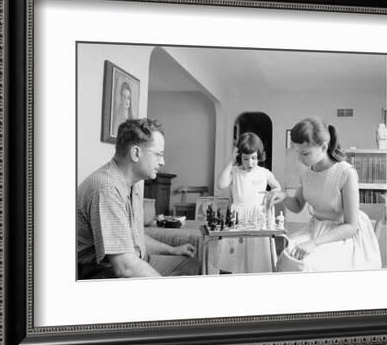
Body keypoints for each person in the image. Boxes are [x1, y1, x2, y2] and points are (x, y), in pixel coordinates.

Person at [77, 118, 199, 279]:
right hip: (103, 272)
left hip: (132, 261)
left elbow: (135, 239)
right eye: (158, 155)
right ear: (135, 153)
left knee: (190, 265)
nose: (162, 162)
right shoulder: (106, 188)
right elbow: (124, 267)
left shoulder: (133, 183)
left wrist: (173, 250)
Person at [266, 117, 382, 272]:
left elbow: (351, 227)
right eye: (298, 153)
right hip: (316, 229)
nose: (300, 159)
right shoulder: (307, 173)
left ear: (323, 147)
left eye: (305, 153)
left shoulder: (346, 172)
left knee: (307, 264)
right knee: (286, 254)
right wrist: (284, 197)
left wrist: (314, 243)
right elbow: (298, 205)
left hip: (343, 235)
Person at [216, 132, 282, 273]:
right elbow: (221, 184)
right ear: (240, 157)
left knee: (256, 254)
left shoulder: (264, 172)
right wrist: (231, 162)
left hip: (257, 217)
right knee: (232, 254)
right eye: (245, 159)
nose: (250, 163)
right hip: (237, 216)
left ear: (259, 155)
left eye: (253, 158)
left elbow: (277, 187)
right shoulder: (235, 171)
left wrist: (271, 194)